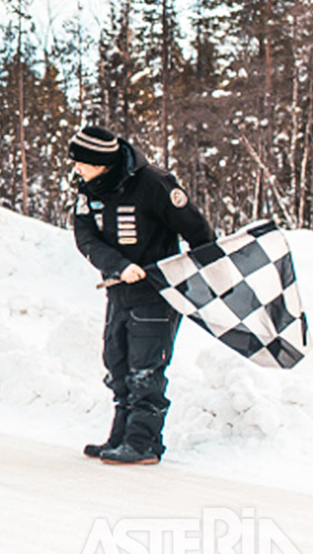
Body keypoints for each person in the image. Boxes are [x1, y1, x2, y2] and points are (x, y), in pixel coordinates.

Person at [70, 125, 214, 466]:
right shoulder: (89, 189)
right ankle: (120, 436)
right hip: (120, 289)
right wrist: (118, 266)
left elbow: (198, 230)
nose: (77, 169)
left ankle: (143, 443)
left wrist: (202, 274)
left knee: (145, 368)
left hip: (157, 291)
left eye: (82, 163)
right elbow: (85, 237)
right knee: (117, 363)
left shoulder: (153, 183)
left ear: (102, 162)